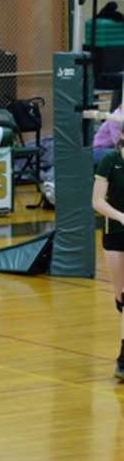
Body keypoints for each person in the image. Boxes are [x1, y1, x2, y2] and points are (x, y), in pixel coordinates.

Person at [92, 127, 124, 380]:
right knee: (120, 297)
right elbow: (98, 201)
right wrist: (121, 217)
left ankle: (123, 358)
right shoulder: (111, 160)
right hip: (114, 233)